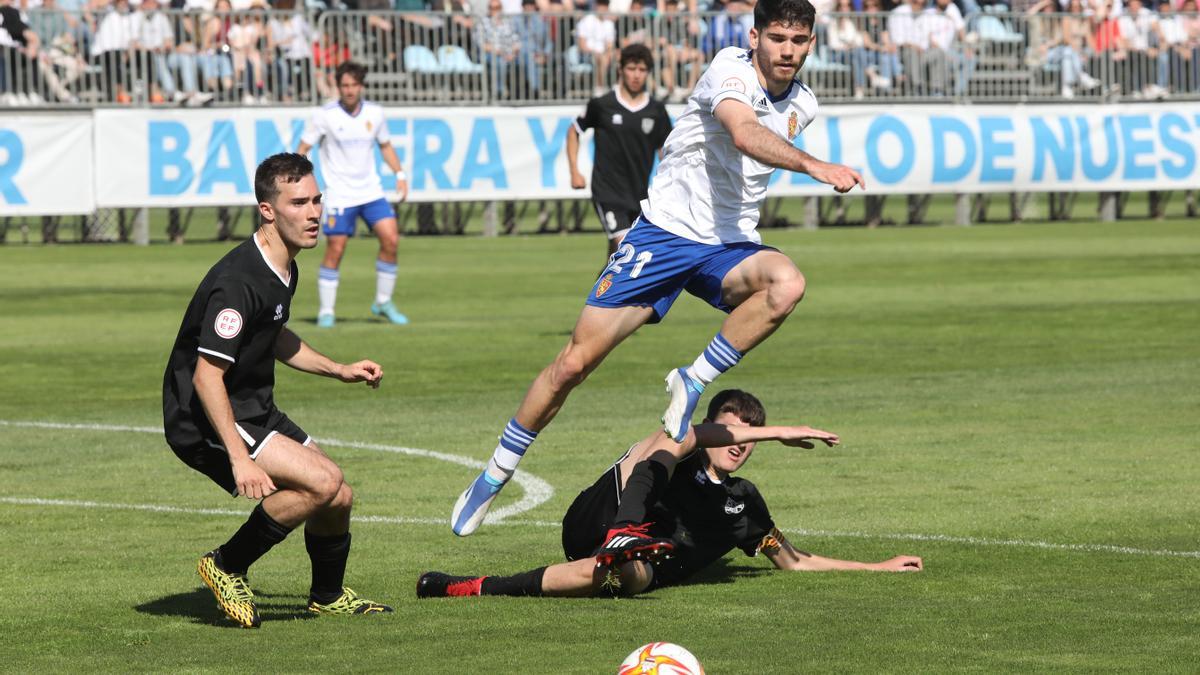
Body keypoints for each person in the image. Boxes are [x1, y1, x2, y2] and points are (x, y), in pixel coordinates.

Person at [451, 0, 865, 537]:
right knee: (573, 365)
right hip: (664, 235)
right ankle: (493, 475)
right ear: (755, 36)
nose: (786, 49)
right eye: (777, 37)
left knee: (788, 284)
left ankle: (691, 380)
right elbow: (742, 132)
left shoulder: (803, 103)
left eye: (798, 40)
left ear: (812, 43)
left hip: (728, 246)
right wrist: (814, 164)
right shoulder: (729, 69)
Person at [162, 153, 392, 629]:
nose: (314, 213)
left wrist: (338, 369)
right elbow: (207, 376)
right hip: (204, 415)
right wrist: (238, 459)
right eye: (299, 203)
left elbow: (274, 333)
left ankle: (327, 596)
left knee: (339, 494)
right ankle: (226, 564)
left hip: (251, 406)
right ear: (268, 210)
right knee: (322, 482)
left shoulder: (284, 264)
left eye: (317, 200)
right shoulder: (238, 282)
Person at [423, 390, 922, 598]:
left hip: (632, 565)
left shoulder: (743, 502)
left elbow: (793, 561)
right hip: (595, 517)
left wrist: (878, 567)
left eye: (751, 437)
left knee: (629, 576)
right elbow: (686, 438)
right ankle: (624, 536)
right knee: (662, 442)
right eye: (734, 435)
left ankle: (465, 586)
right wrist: (779, 430)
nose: (740, 446)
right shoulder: (681, 452)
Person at [297, 61, 410, 329]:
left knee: (391, 239)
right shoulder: (325, 115)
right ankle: (326, 311)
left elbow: (386, 146)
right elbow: (303, 148)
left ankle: (383, 301)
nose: (349, 90)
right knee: (336, 249)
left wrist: (400, 175)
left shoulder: (375, 113)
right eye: (344, 85)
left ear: (361, 86)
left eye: (353, 85)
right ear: (339, 87)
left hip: (371, 191)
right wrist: (295, 179)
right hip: (340, 194)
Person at [566, 43, 672, 262]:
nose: (636, 75)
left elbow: (666, 151)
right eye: (631, 68)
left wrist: (672, 183)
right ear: (620, 69)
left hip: (641, 196)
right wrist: (574, 171)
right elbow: (574, 131)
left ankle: (601, 294)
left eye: (642, 70)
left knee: (616, 261)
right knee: (629, 251)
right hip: (608, 193)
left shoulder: (656, 110)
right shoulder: (603, 104)